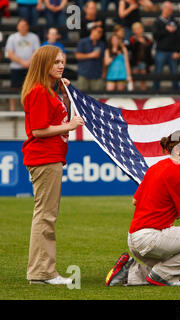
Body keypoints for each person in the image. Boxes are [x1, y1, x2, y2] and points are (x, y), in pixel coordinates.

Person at [105, 130, 180, 287]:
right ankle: (162, 274)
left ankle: (130, 271)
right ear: (178, 150)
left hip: (135, 239)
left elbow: (135, 200)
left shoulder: (157, 167)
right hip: (151, 238)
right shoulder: (178, 175)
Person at [21, 45, 85, 285]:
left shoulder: (49, 90)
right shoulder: (38, 91)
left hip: (50, 157)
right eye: (56, 62)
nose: (61, 65)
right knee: (45, 216)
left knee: (46, 215)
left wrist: (65, 95)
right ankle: (42, 272)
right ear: (44, 64)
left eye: (62, 61)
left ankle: (42, 271)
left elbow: (55, 118)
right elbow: (38, 130)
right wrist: (69, 127)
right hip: (44, 158)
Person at [5, 18, 40, 111]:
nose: (23, 27)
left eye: (25, 25)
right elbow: (10, 53)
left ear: (27, 27)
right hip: (16, 67)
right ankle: (12, 110)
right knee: (14, 88)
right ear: (18, 27)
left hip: (31, 67)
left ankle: (31, 109)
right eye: (21, 25)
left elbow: (37, 52)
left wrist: (28, 62)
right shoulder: (12, 37)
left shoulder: (34, 37)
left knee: (32, 88)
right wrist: (22, 62)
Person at [151, 1, 180, 91]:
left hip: (173, 52)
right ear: (164, 9)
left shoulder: (175, 22)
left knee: (174, 73)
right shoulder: (157, 22)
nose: (171, 11)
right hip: (160, 51)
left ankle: (177, 92)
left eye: (171, 9)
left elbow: (179, 37)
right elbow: (155, 35)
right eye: (169, 9)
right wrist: (166, 30)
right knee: (158, 72)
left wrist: (177, 51)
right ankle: (155, 91)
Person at [75, 25, 106, 92]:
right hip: (84, 74)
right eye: (98, 31)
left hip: (97, 75)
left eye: (101, 32)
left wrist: (104, 72)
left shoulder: (101, 44)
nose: (100, 34)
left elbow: (103, 59)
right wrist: (91, 55)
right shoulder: (83, 42)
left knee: (97, 98)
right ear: (92, 31)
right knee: (81, 97)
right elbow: (77, 56)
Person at [128, 21, 153, 91]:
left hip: (144, 62)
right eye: (136, 29)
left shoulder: (147, 39)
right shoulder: (132, 39)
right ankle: (133, 93)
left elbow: (149, 52)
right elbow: (131, 50)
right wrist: (138, 42)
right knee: (134, 78)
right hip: (134, 62)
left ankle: (143, 92)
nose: (138, 30)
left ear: (142, 29)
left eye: (139, 28)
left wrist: (150, 64)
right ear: (133, 31)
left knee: (143, 78)